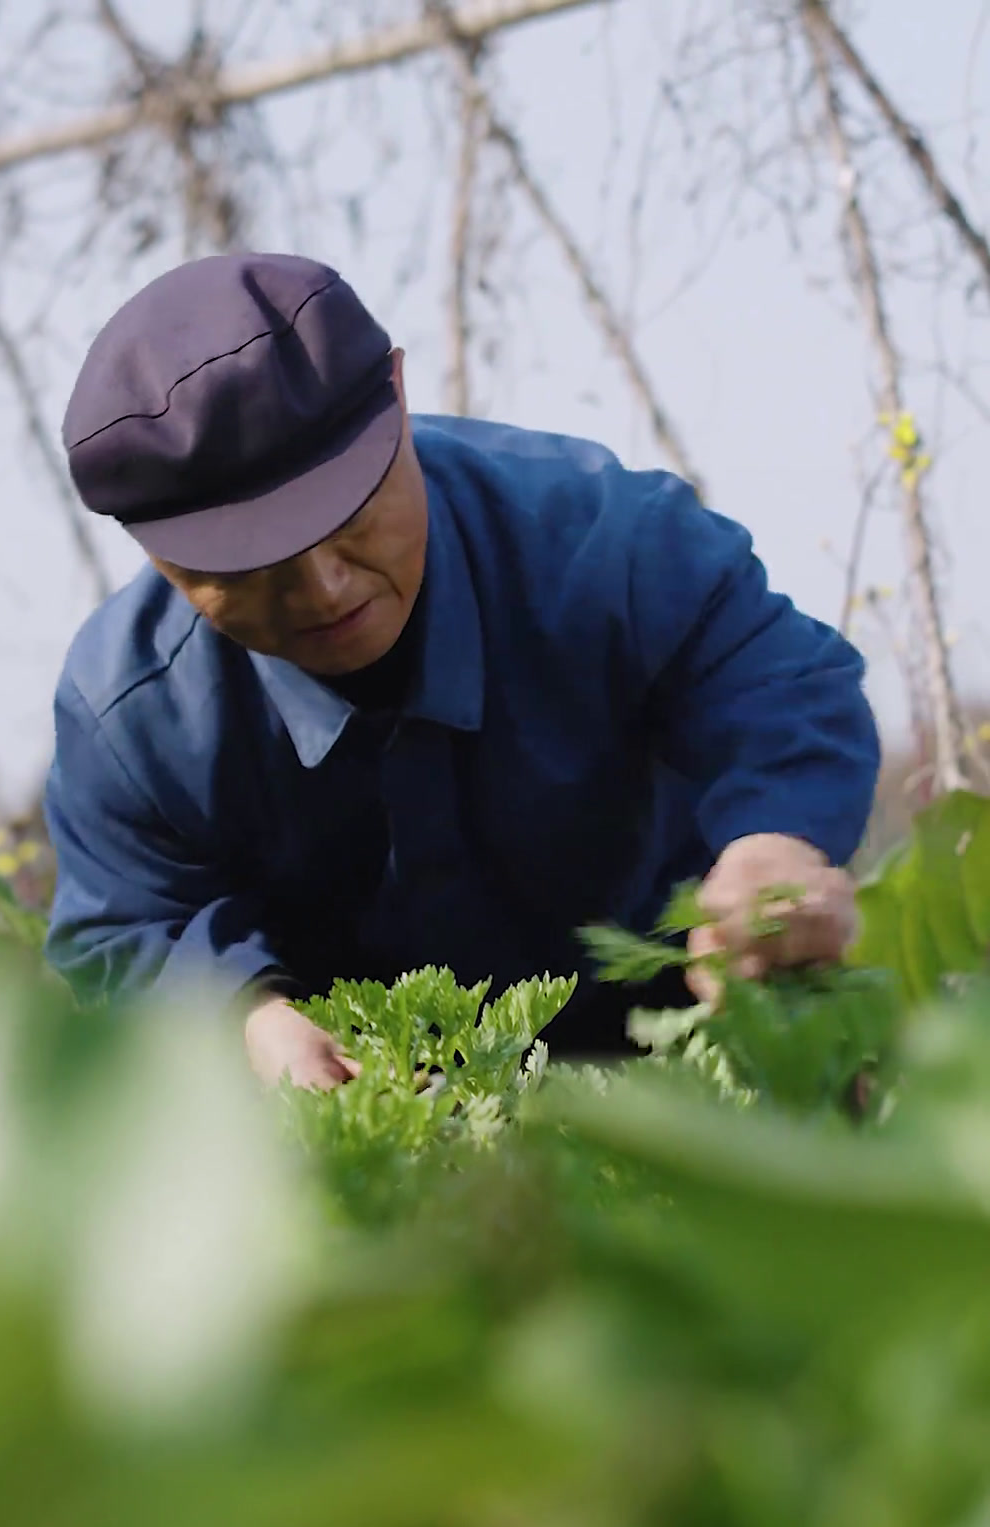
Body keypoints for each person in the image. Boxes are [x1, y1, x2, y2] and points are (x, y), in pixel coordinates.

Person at [46, 251, 879, 1089]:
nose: (323, 590)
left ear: (398, 397)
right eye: (250, 570)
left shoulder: (598, 537)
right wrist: (246, 1019)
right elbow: (123, 931)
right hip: (387, 1101)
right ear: (157, 554)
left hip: (684, 1029)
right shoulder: (129, 715)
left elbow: (776, 682)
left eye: (351, 519)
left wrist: (775, 844)